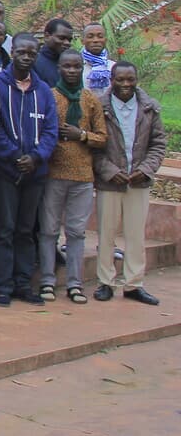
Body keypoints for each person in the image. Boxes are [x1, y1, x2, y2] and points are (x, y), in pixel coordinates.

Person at [93, 62, 166, 306]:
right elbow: (93, 146)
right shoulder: (99, 107)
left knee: (136, 235)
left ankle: (134, 284)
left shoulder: (149, 108)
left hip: (138, 182)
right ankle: (106, 282)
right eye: (120, 80)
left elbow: (158, 144)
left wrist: (145, 170)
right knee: (106, 233)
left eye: (130, 79)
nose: (126, 84)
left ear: (136, 79)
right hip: (110, 182)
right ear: (111, 80)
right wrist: (109, 171)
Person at [38, 49, 107, 305]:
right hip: (53, 173)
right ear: (59, 69)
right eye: (67, 66)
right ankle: (47, 280)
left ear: (82, 68)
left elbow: (103, 137)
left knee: (77, 232)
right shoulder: (49, 96)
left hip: (82, 176)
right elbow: (42, 129)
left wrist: (83, 135)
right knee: (48, 230)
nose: (72, 71)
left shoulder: (91, 99)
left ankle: (75, 284)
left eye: (76, 66)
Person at [33, 18, 73, 87]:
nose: (67, 43)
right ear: (47, 36)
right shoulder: (33, 63)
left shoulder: (71, 64)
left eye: (69, 40)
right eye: (61, 38)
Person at [80, 22, 115, 91]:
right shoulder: (76, 67)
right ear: (82, 41)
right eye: (90, 37)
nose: (95, 40)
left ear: (105, 40)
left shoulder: (114, 67)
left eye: (100, 36)